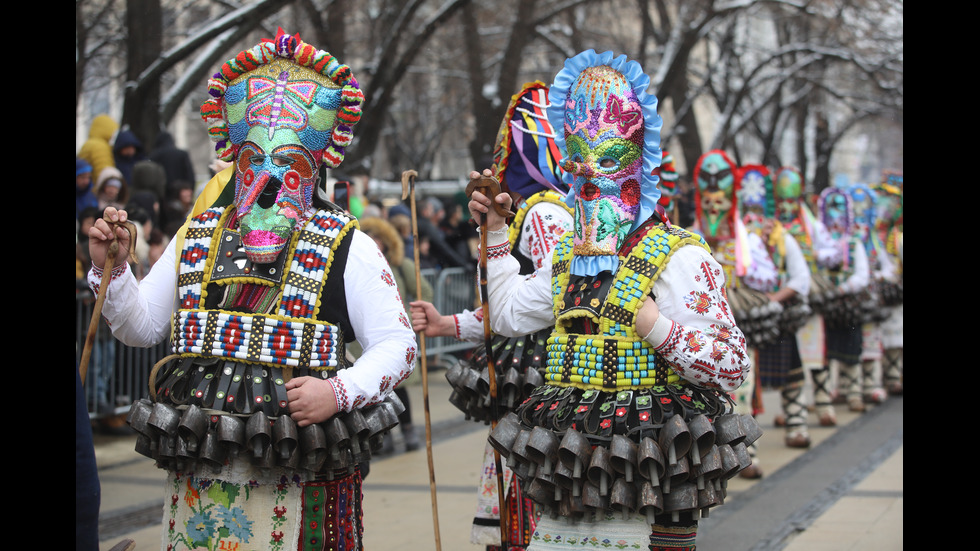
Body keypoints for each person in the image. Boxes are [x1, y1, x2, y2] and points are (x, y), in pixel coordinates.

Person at [88, 30, 416, 551]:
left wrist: (338, 392)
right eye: (252, 163)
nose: (265, 182)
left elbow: (399, 345)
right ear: (235, 163)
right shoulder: (196, 236)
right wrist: (116, 271)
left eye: (287, 167)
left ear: (314, 171)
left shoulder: (348, 245)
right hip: (204, 472)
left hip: (303, 463)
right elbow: (139, 328)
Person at [471, 50, 752, 551]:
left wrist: (653, 324)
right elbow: (510, 314)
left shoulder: (677, 255)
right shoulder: (565, 257)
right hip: (571, 456)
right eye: (577, 165)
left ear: (637, 166)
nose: (588, 180)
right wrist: (495, 235)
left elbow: (731, 365)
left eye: (606, 163)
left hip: (648, 459)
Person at [414, 80, 573, 551]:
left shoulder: (546, 213)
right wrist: (448, 325)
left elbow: (542, 300)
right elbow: (507, 304)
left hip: (538, 380)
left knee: (527, 484)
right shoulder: (534, 210)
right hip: (525, 373)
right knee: (511, 476)